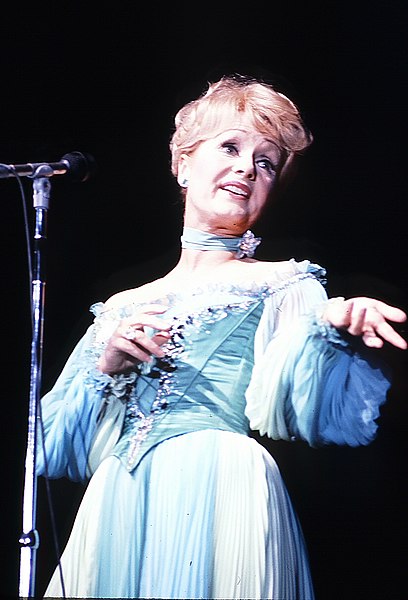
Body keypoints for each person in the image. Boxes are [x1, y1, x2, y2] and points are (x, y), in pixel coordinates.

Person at [37, 74, 407, 599]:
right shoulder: (122, 306)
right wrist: (106, 364)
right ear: (183, 163)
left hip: (218, 483)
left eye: (266, 162)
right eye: (230, 146)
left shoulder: (285, 282)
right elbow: (51, 445)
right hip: (121, 495)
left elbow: (307, 409)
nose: (245, 168)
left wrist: (334, 331)